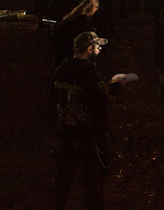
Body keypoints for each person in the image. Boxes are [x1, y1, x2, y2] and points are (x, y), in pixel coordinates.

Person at [50, 31, 126, 210]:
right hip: (87, 135)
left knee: (63, 178)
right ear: (89, 49)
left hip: (65, 132)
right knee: (92, 180)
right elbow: (104, 97)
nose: (100, 49)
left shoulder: (61, 69)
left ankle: (59, 205)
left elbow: (52, 95)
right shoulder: (89, 71)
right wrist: (117, 85)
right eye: (98, 46)